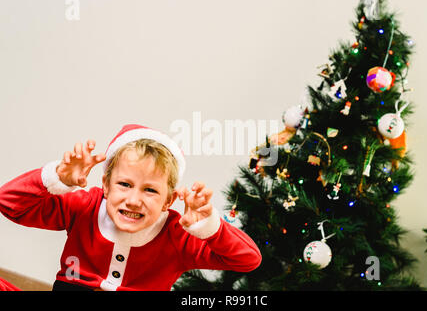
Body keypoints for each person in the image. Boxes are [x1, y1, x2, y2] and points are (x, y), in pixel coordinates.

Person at [0, 124, 262, 291]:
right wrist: (56, 178)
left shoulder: (177, 234)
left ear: (168, 201)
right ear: (106, 185)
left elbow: (248, 259)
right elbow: (10, 203)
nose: (135, 200)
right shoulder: (86, 207)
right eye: (124, 184)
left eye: (150, 190)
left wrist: (209, 227)